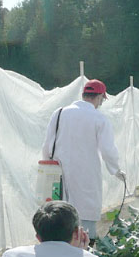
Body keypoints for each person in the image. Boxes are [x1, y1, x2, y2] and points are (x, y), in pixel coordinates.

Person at [42, 79, 126, 244]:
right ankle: (85, 249)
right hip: (86, 174)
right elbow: (108, 150)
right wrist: (116, 170)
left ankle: (58, 247)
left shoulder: (59, 113)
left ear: (84, 95)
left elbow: (47, 146)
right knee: (85, 217)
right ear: (100, 96)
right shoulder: (98, 118)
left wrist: (49, 167)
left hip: (59, 173)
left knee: (58, 213)